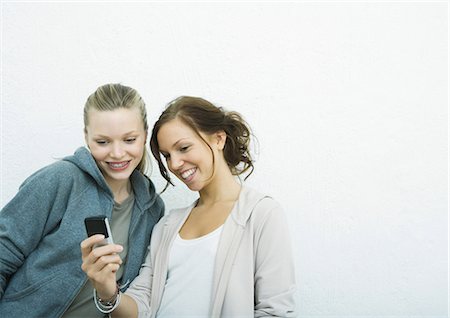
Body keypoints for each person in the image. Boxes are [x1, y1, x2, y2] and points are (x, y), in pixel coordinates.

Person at [81, 96, 297, 317]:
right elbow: (141, 304)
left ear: (219, 139)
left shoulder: (261, 214)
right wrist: (107, 291)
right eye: (166, 155)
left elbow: (274, 310)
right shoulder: (167, 224)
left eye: (183, 148)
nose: (174, 164)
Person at [0, 83, 165, 317]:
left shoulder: (152, 208)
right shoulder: (61, 180)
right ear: (87, 137)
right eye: (103, 142)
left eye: (129, 140)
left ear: (145, 135)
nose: (117, 153)